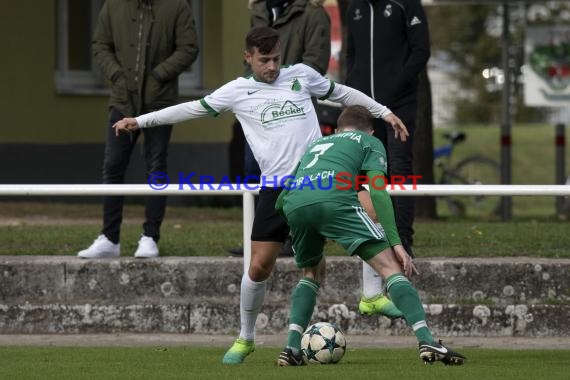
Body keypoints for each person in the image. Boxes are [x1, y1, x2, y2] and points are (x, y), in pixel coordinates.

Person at [111, 26, 408, 364]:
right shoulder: (238, 91)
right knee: (259, 266)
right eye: (264, 60)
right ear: (248, 57)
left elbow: (342, 93)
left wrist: (384, 112)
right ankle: (246, 338)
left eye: (276, 59)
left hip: (320, 179)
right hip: (276, 187)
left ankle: (371, 295)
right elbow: (192, 108)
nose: (272, 67)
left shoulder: (301, 76)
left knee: (372, 206)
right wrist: (141, 121)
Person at [274, 105, 465, 366]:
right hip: (334, 201)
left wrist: (307, 221)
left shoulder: (318, 144)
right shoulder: (370, 141)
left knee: (311, 273)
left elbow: (281, 199)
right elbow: (378, 192)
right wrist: (396, 243)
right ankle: (427, 341)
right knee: (391, 268)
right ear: (371, 129)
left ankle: (291, 348)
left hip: (295, 205)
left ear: (338, 129)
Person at [77, 0, 199, 259]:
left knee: (156, 166)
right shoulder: (113, 5)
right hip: (122, 99)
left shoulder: (177, 6)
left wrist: (157, 75)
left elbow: (189, 48)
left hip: (159, 101)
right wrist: (117, 75)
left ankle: (150, 236)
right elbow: (100, 45)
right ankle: (110, 238)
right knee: (113, 165)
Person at [227, 0, 332, 257]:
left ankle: (294, 236)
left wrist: (281, 85)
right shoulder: (260, 9)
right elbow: (252, 57)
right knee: (253, 173)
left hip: (292, 110)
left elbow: (315, 63)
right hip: (256, 111)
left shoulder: (313, 12)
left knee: (296, 175)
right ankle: (258, 237)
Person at [346, 0, 431, 315]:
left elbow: (421, 52)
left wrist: (393, 91)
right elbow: (351, 55)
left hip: (401, 104)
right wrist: (356, 91)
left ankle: (404, 240)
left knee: (400, 170)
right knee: (368, 176)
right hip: (366, 109)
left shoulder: (406, 5)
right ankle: (372, 238)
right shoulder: (354, 8)